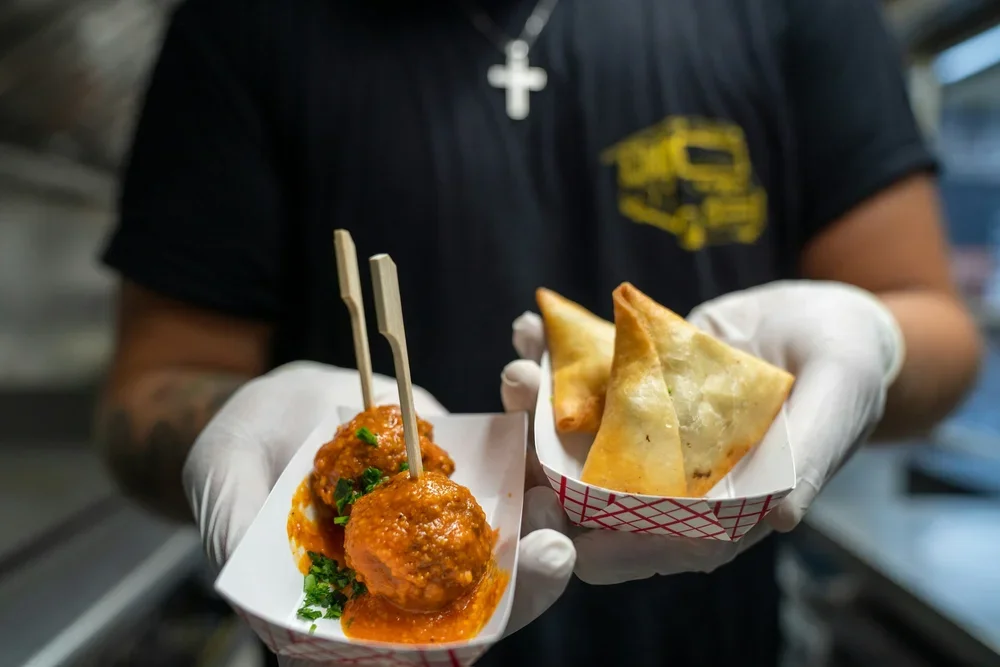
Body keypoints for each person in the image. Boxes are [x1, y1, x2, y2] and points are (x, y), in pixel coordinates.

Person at [95, 0, 983, 664]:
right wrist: (252, 433)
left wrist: (872, 336)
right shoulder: (242, 23)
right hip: (347, 638)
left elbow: (938, 329)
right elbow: (155, 386)